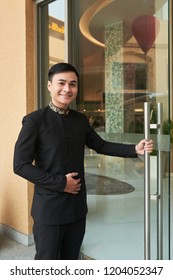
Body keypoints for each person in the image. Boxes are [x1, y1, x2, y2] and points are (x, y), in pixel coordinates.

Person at [13, 62, 153, 260]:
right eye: (61, 83)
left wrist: (133, 149)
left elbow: (101, 145)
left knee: (71, 260)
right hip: (50, 210)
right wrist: (61, 183)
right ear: (49, 85)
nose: (67, 89)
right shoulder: (34, 121)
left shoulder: (80, 120)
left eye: (73, 84)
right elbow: (20, 165)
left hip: (77, 209)